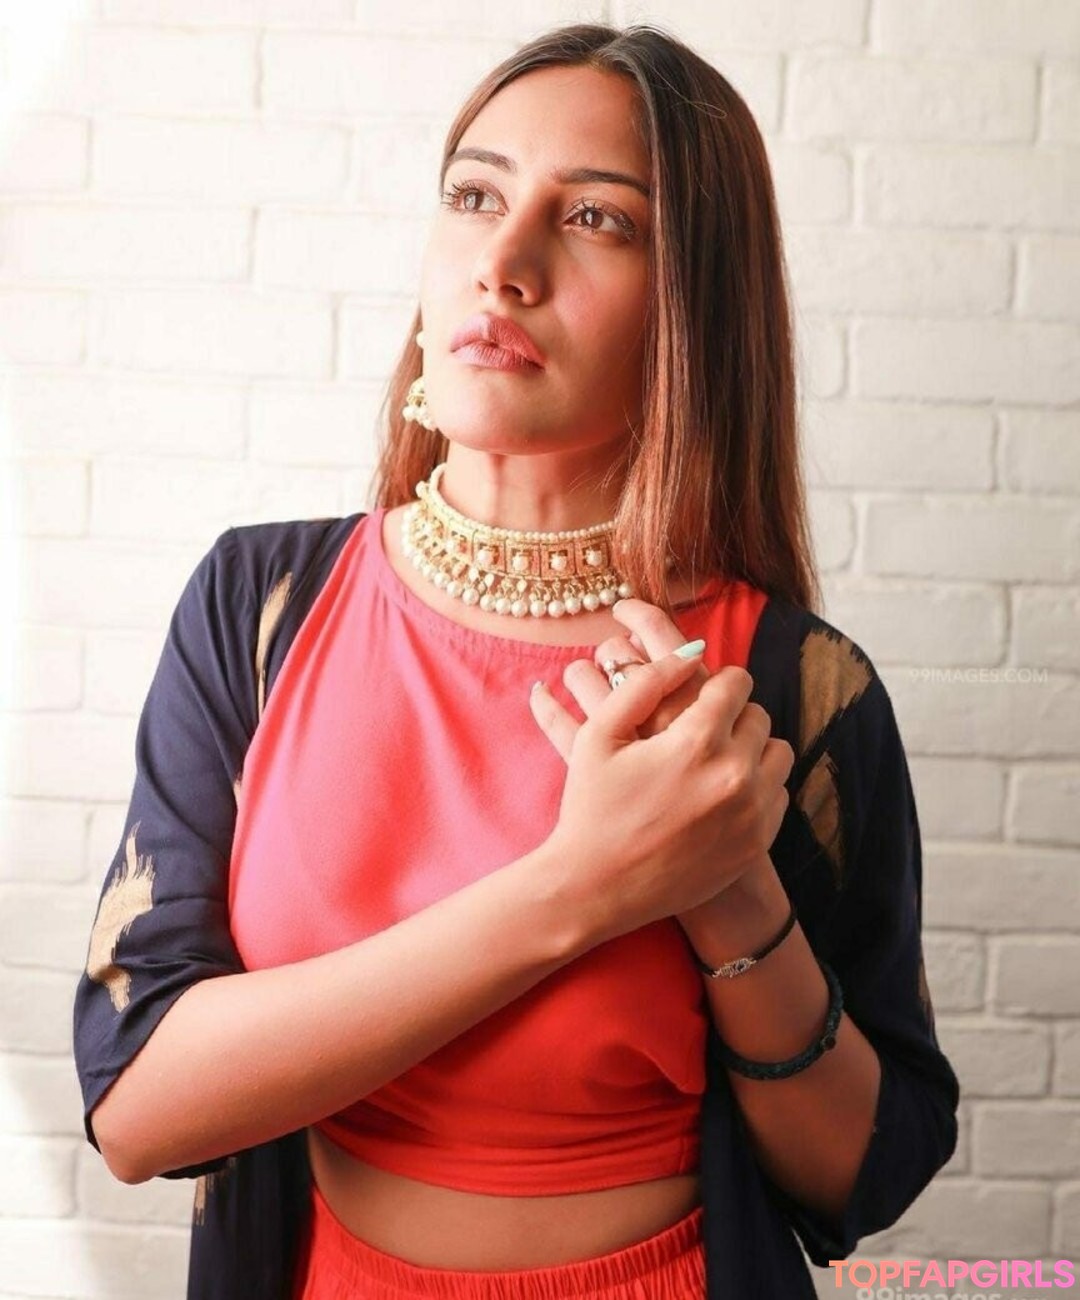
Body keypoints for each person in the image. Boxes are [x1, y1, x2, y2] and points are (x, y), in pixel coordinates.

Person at [72, 21, 960, 1300]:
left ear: (693, 307)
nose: (504, 261)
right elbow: (136, 1108)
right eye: (475, 196)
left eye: (597, 218)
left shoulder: (795, 688)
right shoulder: (259, 607)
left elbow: (859, 1178)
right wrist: (583, 884)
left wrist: (729, 890)